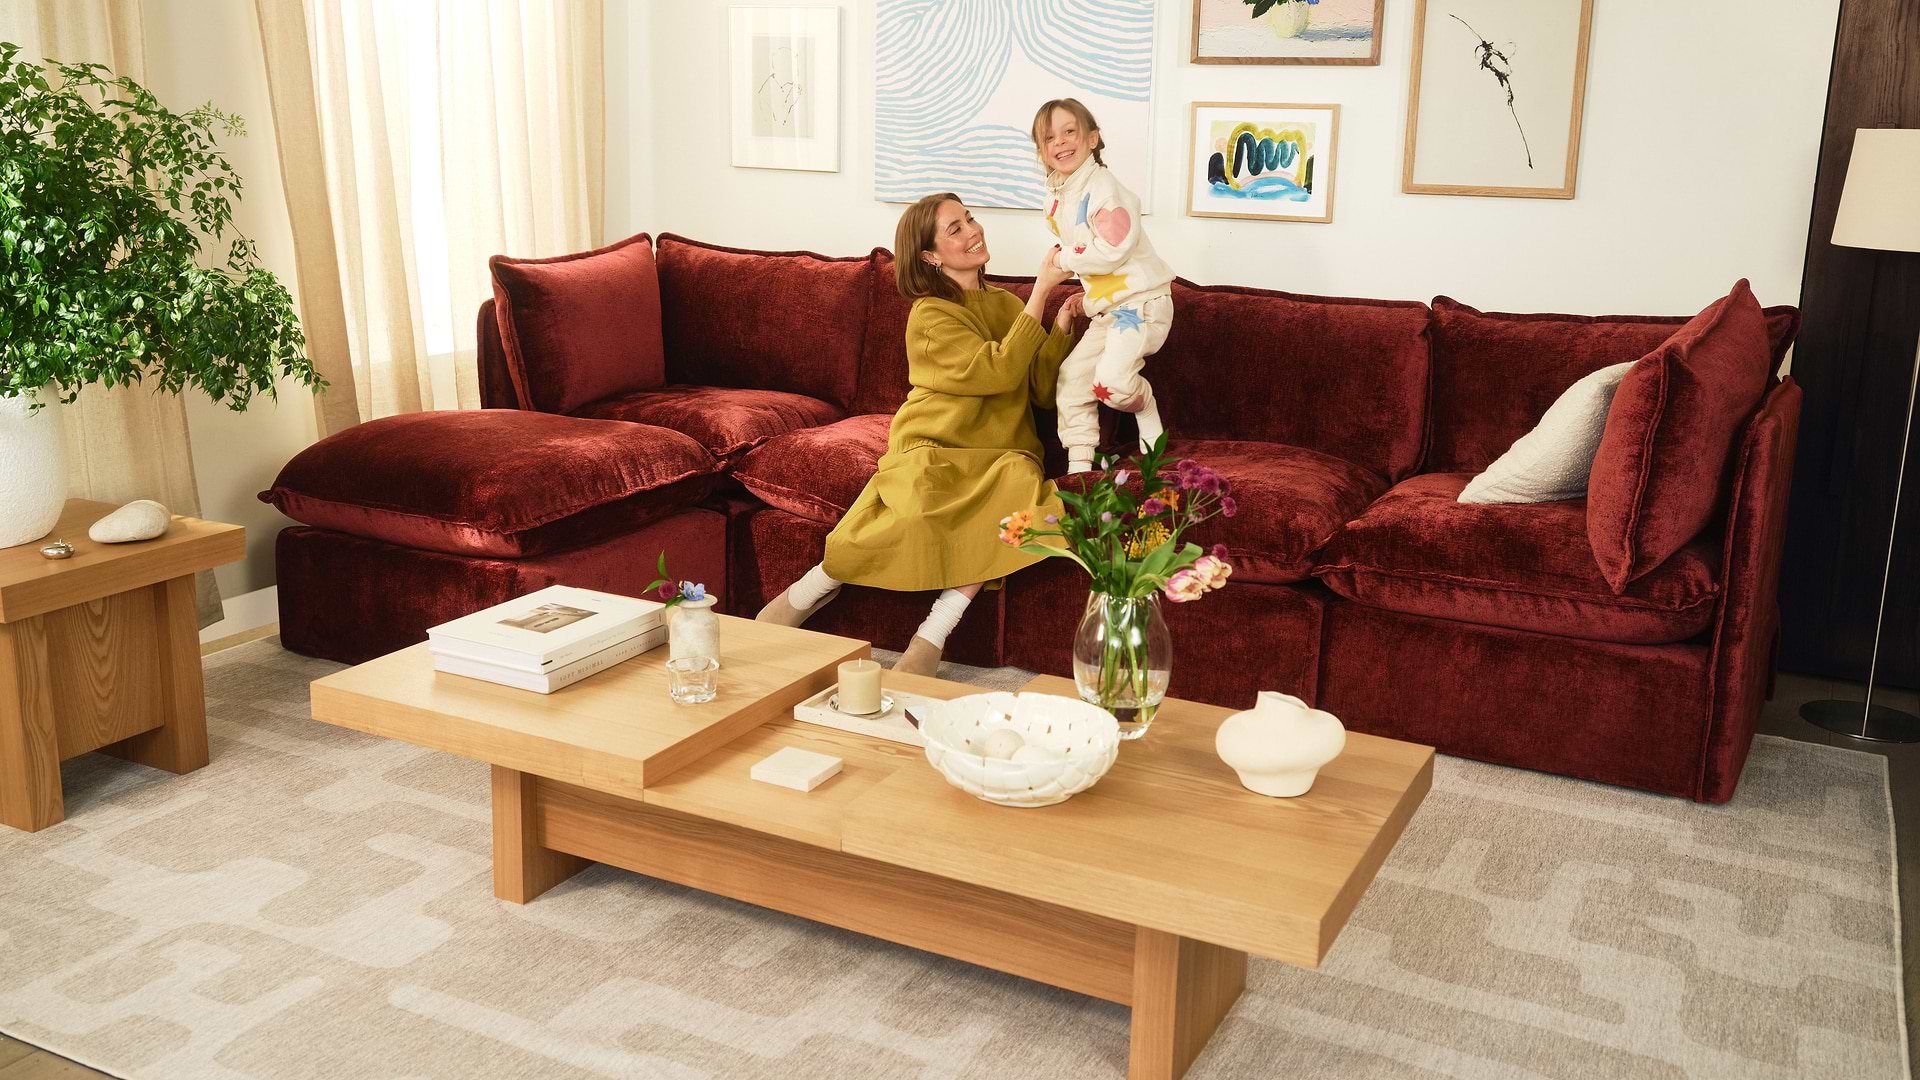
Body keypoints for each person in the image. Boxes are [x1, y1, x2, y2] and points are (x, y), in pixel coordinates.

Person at [755, 193, 1082, 676]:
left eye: (969, 219)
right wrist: (1041, 292)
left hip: (1002, 448)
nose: (973, 231)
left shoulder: (1005, 303)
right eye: (955, 229)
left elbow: (1034, 387)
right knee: (916, 501)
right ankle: (811, 589)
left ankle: (933, 634)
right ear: (930, 256)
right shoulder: (929, 315)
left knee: (1019, 493)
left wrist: (1059, 326)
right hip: (936, 442)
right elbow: (994, 372)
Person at [1033, 97, 1176, 473]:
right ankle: (1079, 466)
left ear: (1092, 138)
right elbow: (1094, 260)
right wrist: (1092, 296)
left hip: (1141, 305)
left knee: (1110, 382)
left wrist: (1062, 260)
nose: (1060, 143)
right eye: (1049, 138)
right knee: (1073, 379)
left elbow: (1111, 249)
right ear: (1042, 151)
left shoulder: (1105, 189)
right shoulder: (1060, 196)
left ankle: (1144, 403)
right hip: (1109, 311)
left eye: (1069, 132)